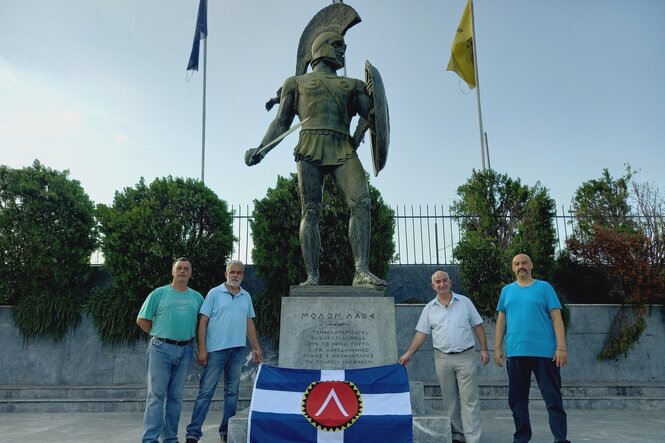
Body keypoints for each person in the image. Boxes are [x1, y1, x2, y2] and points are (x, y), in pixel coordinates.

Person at [244, 31, 386, 288]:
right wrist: (262, 148)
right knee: (310, 211)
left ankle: (361, 270)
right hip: (309, 145)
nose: (343, 50)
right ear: (321, 48)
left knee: (362, 202)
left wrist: (374, 116)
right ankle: (312, 276)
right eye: (338, 45)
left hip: (343, 145)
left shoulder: (353, 85)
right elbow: (281, 122)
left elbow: (371, 115)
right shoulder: (295, 83)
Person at [399, 270, 489, 443]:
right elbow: (421, 334)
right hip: (442, 358)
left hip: (465, 356)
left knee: (470, 400)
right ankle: (457, 436)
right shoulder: (429, 309)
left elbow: (478, 326)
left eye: (444, 281)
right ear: (433, 286)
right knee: (450, 401)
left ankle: (473, 439)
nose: (442, 284)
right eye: (438, 282)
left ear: (450, 282)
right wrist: (409, 353)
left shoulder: (465, 303)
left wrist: (484, 349)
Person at [494, 253, 570, 443]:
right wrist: (497, 348)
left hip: (545, 353)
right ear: (512, 268)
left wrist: (561, 347)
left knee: (553, 399)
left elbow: (556, 318)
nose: (521, 266)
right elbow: (501, 320)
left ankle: (560, 439)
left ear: (531, 265)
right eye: (517, 263)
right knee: (517, 400)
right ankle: (521, 438)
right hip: (516, 352)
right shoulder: (506, 291)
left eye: (524, 262)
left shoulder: (544, 288)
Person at [185, 260, 263, 443]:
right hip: (215, 351)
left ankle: (226, 432)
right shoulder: (214, 293)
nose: (235, 275)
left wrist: (256, 347)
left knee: (232, 393)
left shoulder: (246, 296)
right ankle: (193, 434)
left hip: (237, 351)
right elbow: (203, 321)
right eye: (232, 272)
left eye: (239, 272)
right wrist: (202, 348)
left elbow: (249, 323)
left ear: (243, 275)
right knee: (206, 392)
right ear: (226, 273)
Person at [137, 257, 204, 443]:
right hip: (160, 348)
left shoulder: (197, 297)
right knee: (156, 395)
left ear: (190, 273)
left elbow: (202, 324)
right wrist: (159, 333)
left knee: (175, 396)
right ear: (173, 271)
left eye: (186, 269)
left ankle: (171, 438)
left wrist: (201, 348)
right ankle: (150, 439)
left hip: (185, 351)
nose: (182, 271)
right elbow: (142, 319)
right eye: (179, 268)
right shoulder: (158, 294)